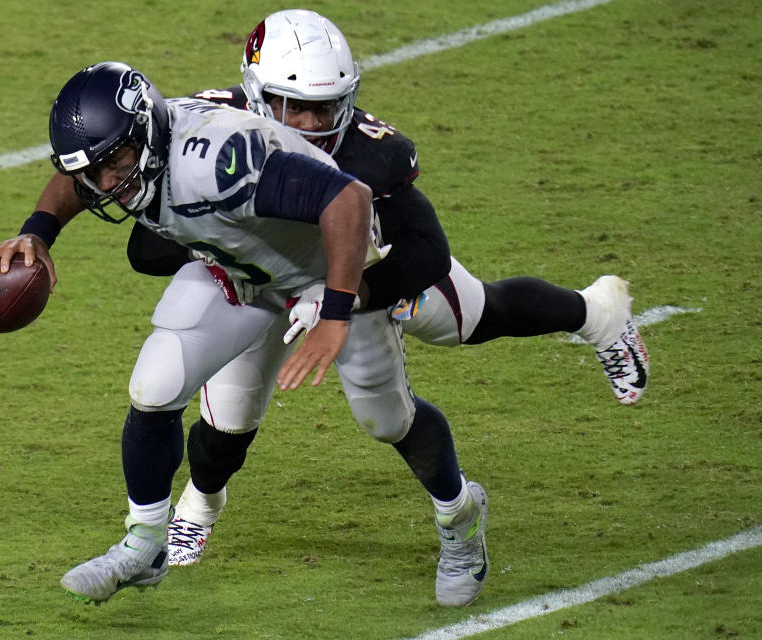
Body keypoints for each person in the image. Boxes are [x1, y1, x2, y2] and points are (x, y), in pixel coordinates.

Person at [144, 9, 648, 581]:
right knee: (229, 417)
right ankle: (200, 506)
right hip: (256, 286)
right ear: (257, 94)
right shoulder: (207, 130)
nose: (312, 121)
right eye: (296, 106)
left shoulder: (369, 154)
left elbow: (426, 251)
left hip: (362, 272)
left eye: (327, 105)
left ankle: (598, 313)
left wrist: (353, 295)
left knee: (471, 319)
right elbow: (148, 244)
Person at [0, 60, 489, 607]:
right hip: (242, 269)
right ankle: (145, 543)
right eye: (96, 170)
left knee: (385, 418)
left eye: (117, 163)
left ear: (146, 136)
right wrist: (37, 233)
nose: (107, 185)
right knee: (155, 384)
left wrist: (338, 308)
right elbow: (83, 173)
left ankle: (461, 515)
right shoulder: (129, 149)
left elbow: (349, 200)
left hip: (329, 270)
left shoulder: (217, 161)